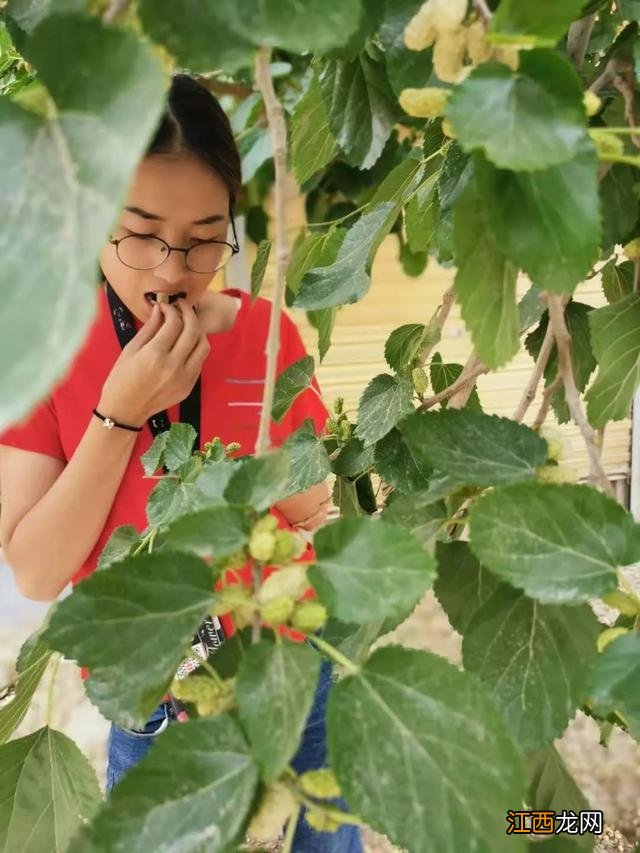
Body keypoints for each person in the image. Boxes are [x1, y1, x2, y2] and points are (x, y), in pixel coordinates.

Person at [0, 74, 362, 852]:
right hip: (149, 685)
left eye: (204, 237)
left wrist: (248, 363)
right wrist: (120, 410)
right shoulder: (44, 346)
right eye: (140, 233)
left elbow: (308, 507)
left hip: (285, 666)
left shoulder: (265, 335)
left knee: (322, 836)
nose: (171, 269)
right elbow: (33, 570)